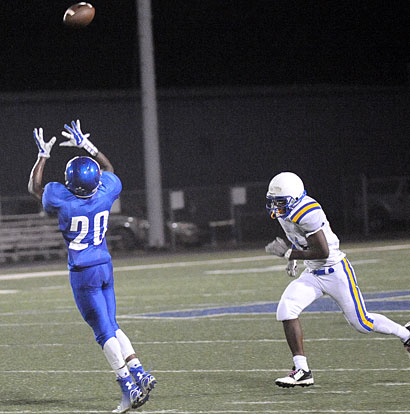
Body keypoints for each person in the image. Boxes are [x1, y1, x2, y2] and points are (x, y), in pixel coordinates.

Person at [28, 120, 156, 413]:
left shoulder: (63, 200)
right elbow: (109, 170)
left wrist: (42, 156)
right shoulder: (106, 190)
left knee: (102, 332)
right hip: (105, 266)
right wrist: (88, 145)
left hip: (83, 272)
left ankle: (129, 387)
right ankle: (140, 372)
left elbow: (35, 188)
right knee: (112, 324)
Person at [264, 171, 410, 388]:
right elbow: (298, 238)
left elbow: (322, 251)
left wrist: (288, 254)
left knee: (362, 323)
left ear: (294, 198)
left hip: (335, 271)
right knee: (286, 309)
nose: (276, 207)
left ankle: (406, 334)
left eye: (280, 202)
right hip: (313, 273)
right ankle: (302, 370)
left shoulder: (307, 211)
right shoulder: (287, 212)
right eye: (273, 202)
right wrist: (292, 258)